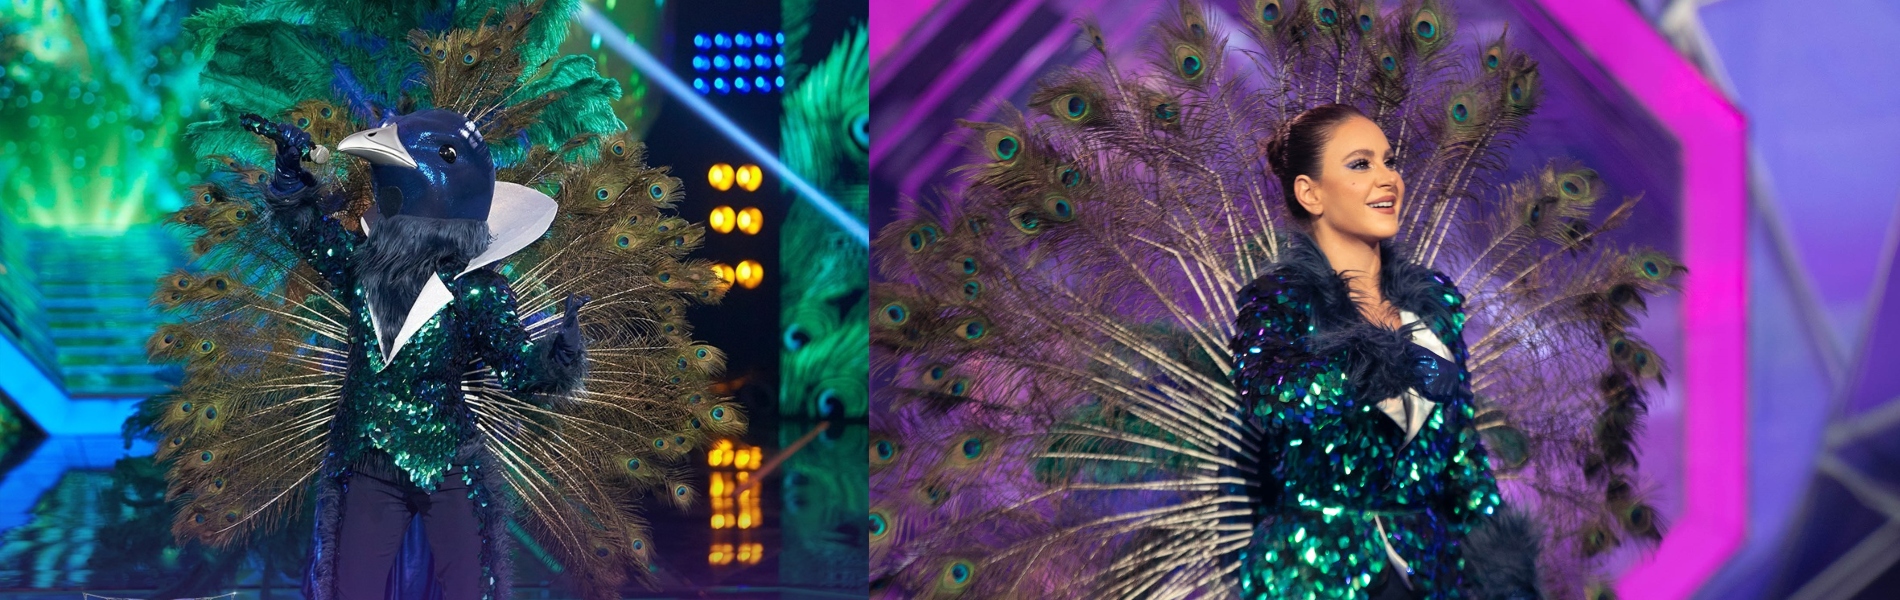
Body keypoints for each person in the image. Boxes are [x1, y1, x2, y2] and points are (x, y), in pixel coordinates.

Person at [867, 3, 1675, 599]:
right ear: (1310, 194)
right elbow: (1285, 407)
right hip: (1310, 574)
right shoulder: (1276, 306)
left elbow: (1458, 454)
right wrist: (1378, 363)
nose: (1387, 179)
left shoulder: (1436, 304)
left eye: (1387, 161)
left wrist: (1499, 559)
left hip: (1432, 573)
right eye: (1360, 166)